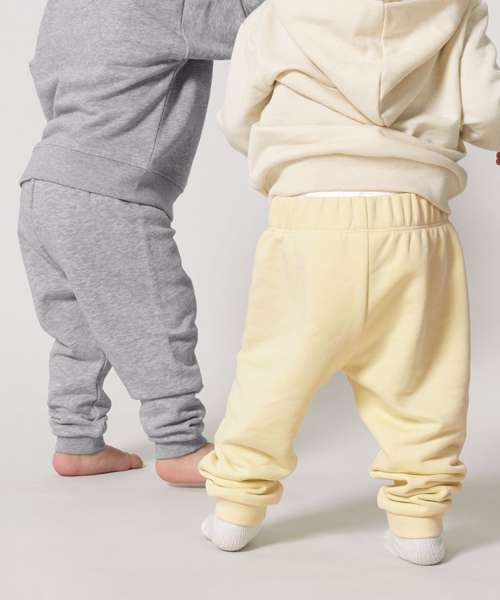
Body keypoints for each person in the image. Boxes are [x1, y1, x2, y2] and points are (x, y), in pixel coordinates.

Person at [199, 0, 500, 564]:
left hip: (307, 216)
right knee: (422, 376)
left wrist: (294, 156)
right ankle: (419, 523)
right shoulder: (456, 9)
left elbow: (238, 120)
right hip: (415, 219)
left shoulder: (276, 14)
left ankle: (236, 509)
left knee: (273, 370)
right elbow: (487, 112)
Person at [18, 0, 262, 484]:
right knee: (157, 314)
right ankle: (179, 443)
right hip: (111, 191)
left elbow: (47, 74)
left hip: (44, 183)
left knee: (79, 329)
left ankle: (77, 441)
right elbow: (256, 24)